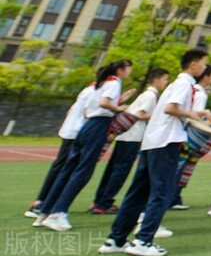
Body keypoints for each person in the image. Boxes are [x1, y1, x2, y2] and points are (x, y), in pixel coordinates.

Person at [98, 48, 211, 256]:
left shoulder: (176, 84)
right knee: (161, 192)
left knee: (138, 192)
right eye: (203, 63)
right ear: (193, 65)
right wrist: (193, 115)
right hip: (166, 142)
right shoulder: (185, 84)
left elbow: (172, 110)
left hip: (152, 141)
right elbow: (171, 109)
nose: (205, 67)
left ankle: (116, 240)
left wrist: (197, 112)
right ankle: (144, 241)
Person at [39, 59, 136, 231]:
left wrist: (118, 101)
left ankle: (45, 211)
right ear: (120, 70)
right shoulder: (114, 83)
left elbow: (95, 104)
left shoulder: (99, 83)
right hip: (98, 126)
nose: (130, 72)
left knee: (68, 169)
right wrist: (120, 108)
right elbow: (104, 104)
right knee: (83, 171)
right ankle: (58, 213)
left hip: (87, 125)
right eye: (129, 69)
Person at [91, 68, 169, 214]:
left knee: (112, 169)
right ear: (157, 79)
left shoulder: (146, 94)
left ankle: (100, 200)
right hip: (133, 136)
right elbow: (140, 114)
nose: (165, 83)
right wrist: (159, 116)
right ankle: (105, 203)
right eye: (164, 79)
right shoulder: (151, 96)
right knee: (120, 171)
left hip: (125, 135)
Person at [26, 80, 95, 219]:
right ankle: (42, 204)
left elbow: (72, 110)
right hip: (76, 133)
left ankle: (42, 202)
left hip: (70, 132)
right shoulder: (96, 91)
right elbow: (91, 112)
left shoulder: (89, 90)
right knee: (64, 170)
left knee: (60, 167)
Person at [171, 64, 211, 209]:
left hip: (180, 133)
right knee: (182, 167)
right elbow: (196, 115)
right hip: (189, 136)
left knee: (178, 166)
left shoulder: (193, 90)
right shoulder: (199, 94)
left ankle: (174, 197)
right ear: (206, 77)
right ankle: (173, 197)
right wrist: (207, 124)